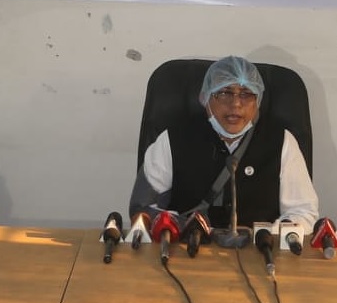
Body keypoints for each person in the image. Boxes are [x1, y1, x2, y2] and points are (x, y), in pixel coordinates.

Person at [129, 55, 318, 234]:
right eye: (224, 93)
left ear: (258, 101)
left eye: (246, 94)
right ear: (205, 98)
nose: (236, 104)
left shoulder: (282, 141)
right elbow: (143, 209)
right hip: (186, 249)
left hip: (261, 252)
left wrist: (264, 237)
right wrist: (187, 230)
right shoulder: (172, 139)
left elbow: (302, 212)